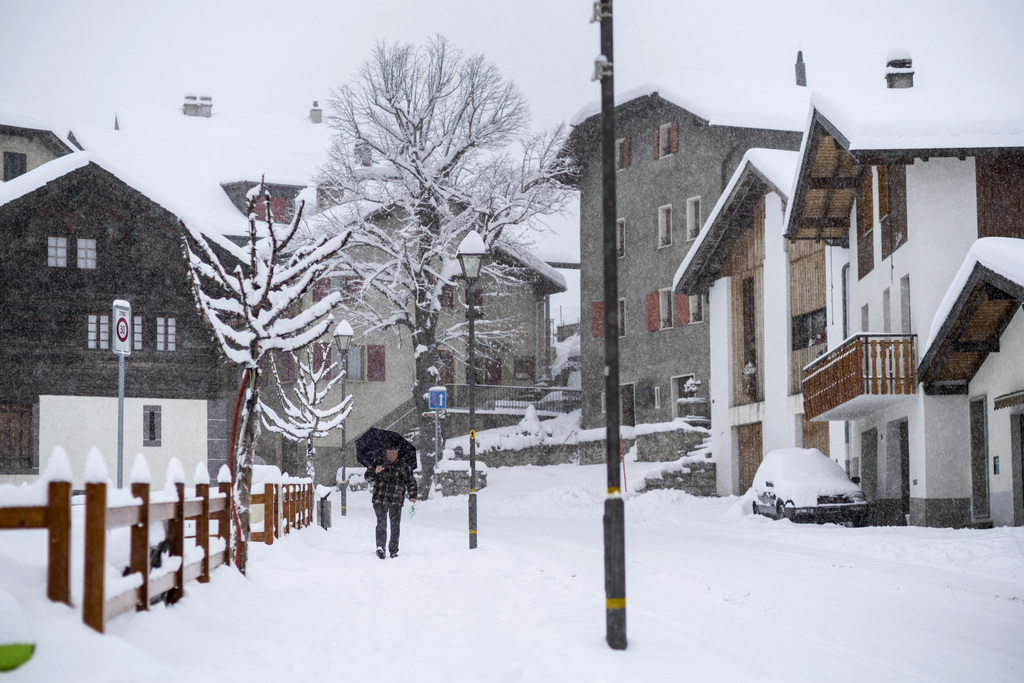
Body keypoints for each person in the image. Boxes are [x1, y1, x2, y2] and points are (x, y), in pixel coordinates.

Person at [364, 447, 418, 558]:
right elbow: (367, 477)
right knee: (381, 523)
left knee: (395, 526)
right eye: (389, 452)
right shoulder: (378, 462)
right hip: (380, 499)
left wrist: (412, 495)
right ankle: (380, 548)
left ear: (398, 452)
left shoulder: (404, 465)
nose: (391, 454)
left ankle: (393, 550)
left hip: (396, 500)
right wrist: (375, 471)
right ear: (386, 452)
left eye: (394, 452)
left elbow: (411, 481)